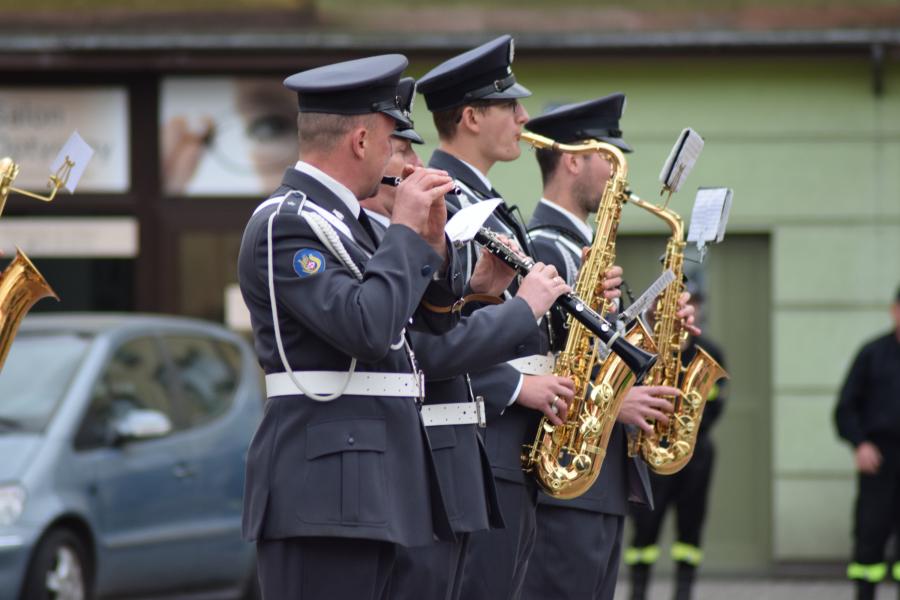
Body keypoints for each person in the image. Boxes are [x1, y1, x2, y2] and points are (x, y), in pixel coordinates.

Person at [237, 54, 464, 600]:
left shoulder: (353, 224)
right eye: (392, 141)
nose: (398, 158)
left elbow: (414, 324)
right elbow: (368, 327)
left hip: (378, 487)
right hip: (325, 496)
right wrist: (406, 232)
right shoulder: (287, 222)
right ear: (361, 141)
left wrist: (429, 242)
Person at [417, 36, 621, 600]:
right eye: (510, 106)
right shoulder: (440, 203)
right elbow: (425, 336)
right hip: (478, 437)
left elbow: (513, 325)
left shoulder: (486, 202)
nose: (524, 118)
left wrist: (583, 306)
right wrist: (516, 386)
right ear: (472, 116)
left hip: (510, 444)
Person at [360, 77, 571, 600]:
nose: (412, 167)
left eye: (407, 148)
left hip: (458, 446)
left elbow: (434, 326)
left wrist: (477, 292)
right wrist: (519, 331)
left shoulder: (471, 204)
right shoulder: (389, 228)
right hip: (432, 445)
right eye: (398, 150)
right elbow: (417, 347)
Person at [518, 94, 695, 600]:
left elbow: (602, 353)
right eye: (608, 156)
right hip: (566, 481)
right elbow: (539, 361)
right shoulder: (543, 248)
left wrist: (664, 327)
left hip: (596, 479)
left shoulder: (581, 248)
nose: (621, 173)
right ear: (574, 159)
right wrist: (615, 402)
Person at [626, 286, 728, 600]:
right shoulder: (648, 348)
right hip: (651, 450)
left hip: (694, 452)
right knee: (645, 529)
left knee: (690, 529)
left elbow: (715, 402)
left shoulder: (709, 351)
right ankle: (638, 592)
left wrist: (685, 428)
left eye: (694, 303)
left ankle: (684, 593)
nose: (689, 309)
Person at [835, 284, 900, 600]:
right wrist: (860, 444)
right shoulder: (872, 354)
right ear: (894, 311)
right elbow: (845, 409)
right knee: (869, 542)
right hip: (879, 462)